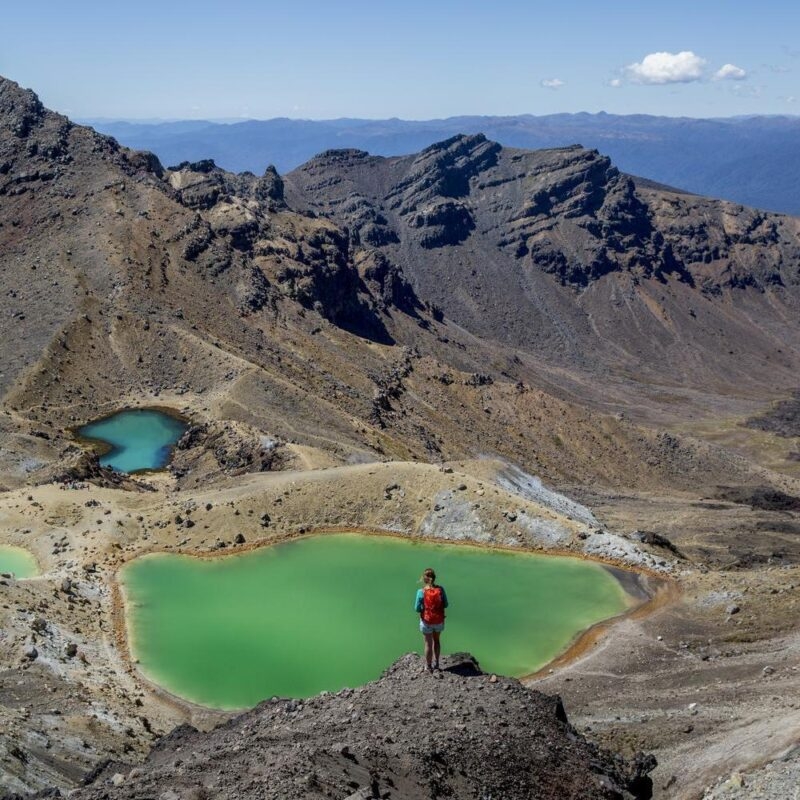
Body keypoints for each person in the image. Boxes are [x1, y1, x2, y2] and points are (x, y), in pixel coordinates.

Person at [414, 567, 448, 672]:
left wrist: (424, 609)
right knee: (436, 641)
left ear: (424, 579)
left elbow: (416, 608)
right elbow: (446, 604)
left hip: (426, 621)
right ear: (434, 578)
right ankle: (437, 663)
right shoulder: (441, 590)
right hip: (438, 620)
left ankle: (428, 666)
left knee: (428, 643)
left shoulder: (421, 591)